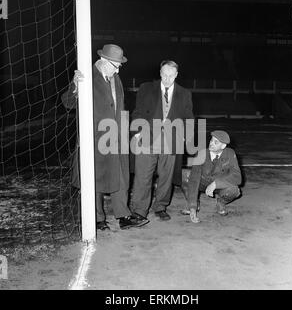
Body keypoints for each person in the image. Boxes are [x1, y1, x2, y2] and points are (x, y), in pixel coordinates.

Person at [61, 44, 148, 230]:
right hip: (96, 138)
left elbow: (120, 107)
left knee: (121, 177)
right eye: (115, 65)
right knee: (97, 179)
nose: (119, 69)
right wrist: (75, 86)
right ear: (103, 62)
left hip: (118, 137)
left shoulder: (115, 78)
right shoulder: (87, 77)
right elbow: (68, 103)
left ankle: (123, 216)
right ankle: (98, 219)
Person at [130, 60, 194, 222]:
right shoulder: (146, 88)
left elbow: (188, 119)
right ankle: (139, 210)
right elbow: (137, 112)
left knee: (166, 177)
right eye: (164, 74)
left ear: (176, 75)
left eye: (171, 75)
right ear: (160, 73)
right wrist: (138, 133)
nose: (167, 78)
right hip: (147, 138)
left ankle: (160, 207)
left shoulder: (185, 93)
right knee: (143, 176)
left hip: (171, 141)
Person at [185, 130, 242, 223]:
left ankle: (221, 202)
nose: (211, 143)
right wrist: (192, 207)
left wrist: (216, 184)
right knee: (185, 175)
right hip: (202, 182)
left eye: (216, 142)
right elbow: (194, 179)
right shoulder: (201, 153)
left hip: (219, 185)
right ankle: (195, 203)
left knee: (234, 190)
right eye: (211, 140)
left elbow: (237, 176)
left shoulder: (230, 153)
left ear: (223, 146)